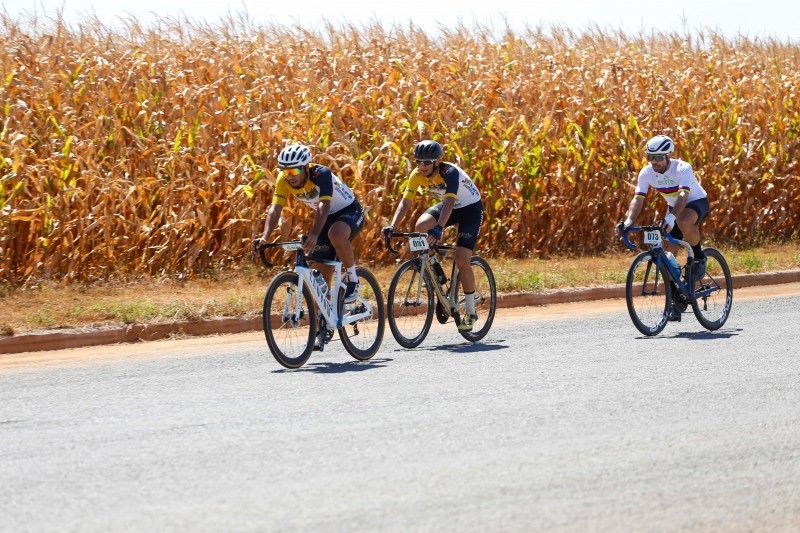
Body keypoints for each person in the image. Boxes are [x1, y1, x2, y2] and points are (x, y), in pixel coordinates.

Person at [381, 140, 484, 331]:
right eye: (419, 162)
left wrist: (439, 228)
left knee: (462, 260)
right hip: (450, 206)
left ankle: (470, 312)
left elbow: (450, 202)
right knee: (421, 226)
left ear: (437, 161)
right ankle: (434, 266)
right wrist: (392, 226)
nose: (422, 166)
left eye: (427, 162)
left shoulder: (449, 172)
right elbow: (405, 202)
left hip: (470, 209)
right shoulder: (417, 175)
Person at [254, 143, 364, 304]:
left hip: (350, 210)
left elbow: (324, 204)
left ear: (306, 167)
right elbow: (275, 209)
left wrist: (314, 234)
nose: (290, 176)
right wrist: (265, 237)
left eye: (294, 171)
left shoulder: (321, 174)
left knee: (336, 234)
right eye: (285, 171)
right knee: (320, 280)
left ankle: (353, 280)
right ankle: (323, 318)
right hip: (326, 218)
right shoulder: (283, 180)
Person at [616, 135, 711, 319]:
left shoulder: (682, 168)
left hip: (695, 202)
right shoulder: (647, 173)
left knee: (683, 221)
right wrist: (628, 222)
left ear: (668, 156)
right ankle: (676, 300)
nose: (654, 161)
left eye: (658, 157)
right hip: (674, 208)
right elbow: (638, 199)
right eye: (650, 157)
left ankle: (699, 257)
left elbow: (683, 196)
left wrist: (671, 217)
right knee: (667, 258)